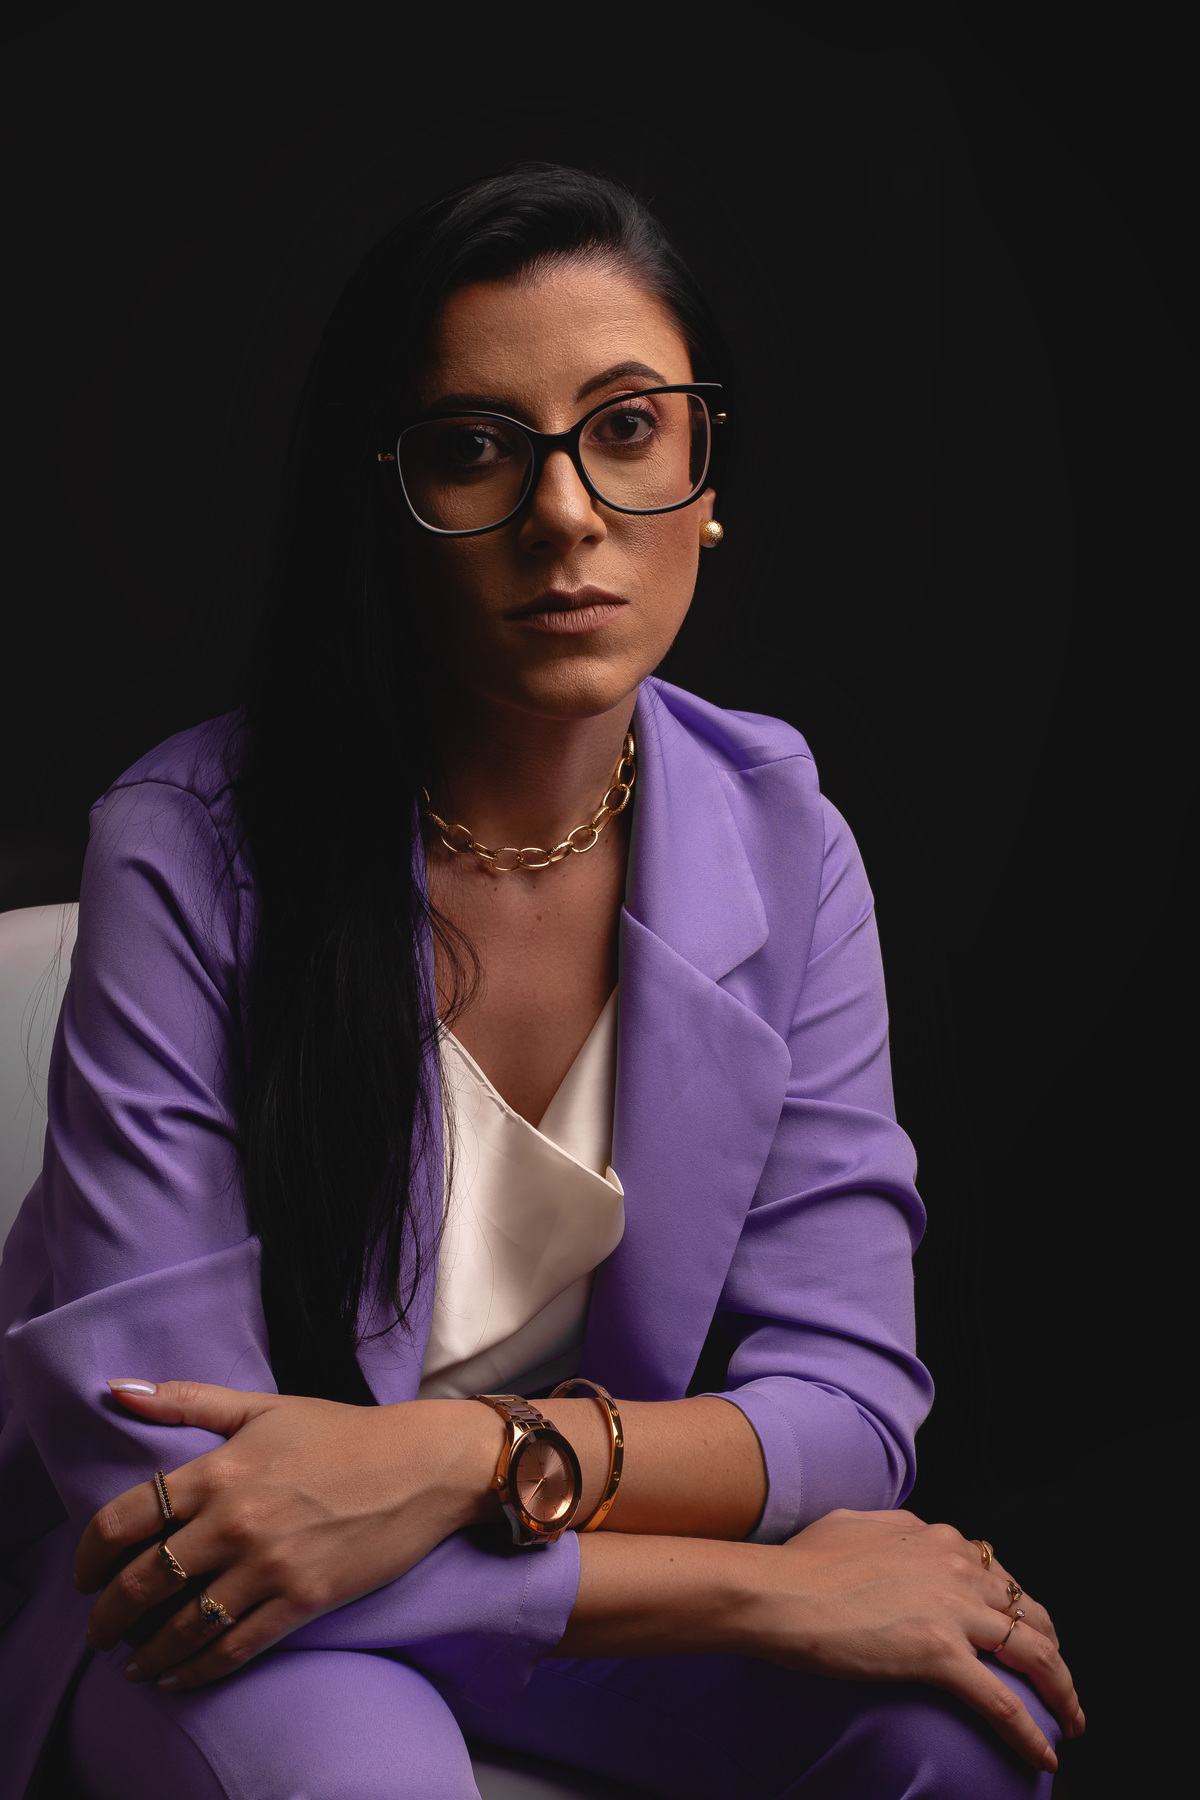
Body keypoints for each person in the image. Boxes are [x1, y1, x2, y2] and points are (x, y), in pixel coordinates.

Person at [0, 165, 1082, 1800]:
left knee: (968, 1730)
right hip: (241, 1619)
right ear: (387, 499)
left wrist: (467, 1456)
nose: (566, 512)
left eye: (628, 429)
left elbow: (850, 1402)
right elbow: (168, 1499)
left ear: (706, 479)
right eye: (475, 448)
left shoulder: (785, 838)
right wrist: (763, 1592)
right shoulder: (186, 848)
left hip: (550, 1548)